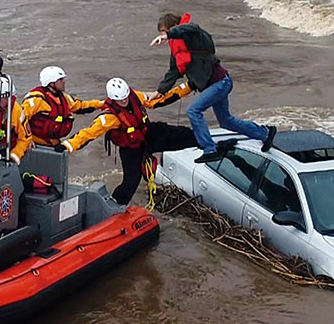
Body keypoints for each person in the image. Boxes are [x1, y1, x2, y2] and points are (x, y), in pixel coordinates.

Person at [153, 12, 276, 164]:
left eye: (164, 32)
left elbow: (193, 27)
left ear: (173, 28)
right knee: (226, 121)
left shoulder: (192, 35)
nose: (164, 37)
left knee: (193, 110)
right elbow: (174, 72)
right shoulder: (176, 48)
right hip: (216, 85)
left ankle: (209, 149)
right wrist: (160, 91)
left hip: (221, 83)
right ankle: (265, 133)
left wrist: (170, 34)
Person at [59, 77, 197, 205]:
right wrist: (67, 145)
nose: (124, 101)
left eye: (125, 98)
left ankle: (209, 145)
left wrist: (188, 87)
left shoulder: (135, 96)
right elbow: (88, 134)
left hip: (148, 134)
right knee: (130, 182)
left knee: (183, 135)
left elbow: (160, 100)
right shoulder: (109, 117)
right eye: (121, 100)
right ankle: (115, 206)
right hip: (130, 149)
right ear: (113, 100)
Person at [16, 65, 103, 159]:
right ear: (51, 83)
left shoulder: (63, 98)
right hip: (36, 146)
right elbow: (20, 119)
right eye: (60, 80)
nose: (64, 81)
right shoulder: (36, 99)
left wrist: (101, 104)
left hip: (54, 145)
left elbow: (80, 106)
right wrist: (26, 140)